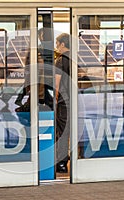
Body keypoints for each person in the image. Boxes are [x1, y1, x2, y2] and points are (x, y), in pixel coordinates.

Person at [14, 28, 45, 111]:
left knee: (31, 87)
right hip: (35, 71)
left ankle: (23, 101)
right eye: (41, 35)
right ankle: (24, 102)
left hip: (39, 72)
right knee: (30, 86)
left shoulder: (42, 47)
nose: (42, 37)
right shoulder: (37, 47)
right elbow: (29, 59)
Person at [55, 33, 70, 173]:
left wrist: (54, 99)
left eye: (57, 43)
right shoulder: (75, 58)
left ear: (62, 44)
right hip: (74, 101)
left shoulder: (60, 60)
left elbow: (56, 83)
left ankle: (61, 162)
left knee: (62, 132)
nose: (56, 47)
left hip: (63, 102)